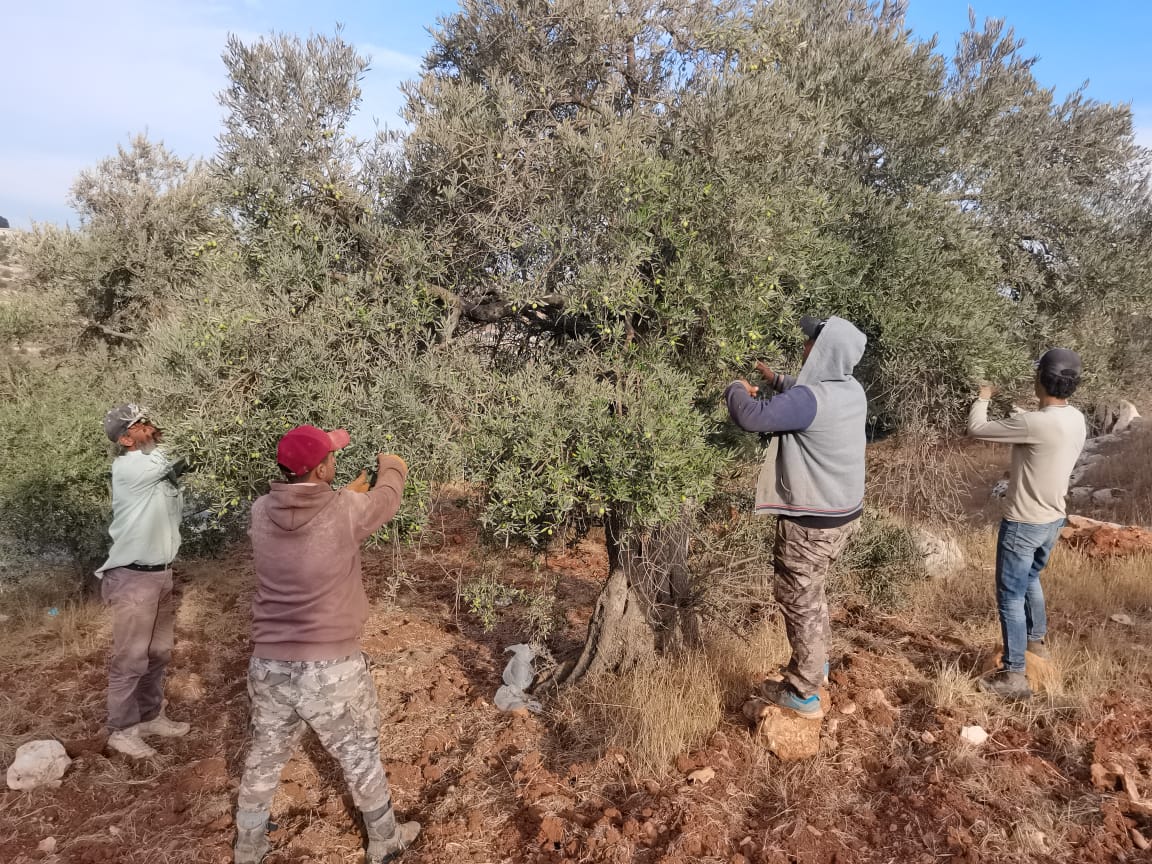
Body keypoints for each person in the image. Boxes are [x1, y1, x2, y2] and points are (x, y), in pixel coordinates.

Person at [234, 425, 419, 864]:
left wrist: (342, 493)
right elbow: (388, 499)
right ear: (320, 470)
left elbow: (311, 520)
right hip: (331, 665)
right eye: (330, 459)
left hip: (270, 663)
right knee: (359, 752)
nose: (335, 463)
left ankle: (249, 844)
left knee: (264, 754)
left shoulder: (261, 511)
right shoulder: (346, 511)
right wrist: (391, 464)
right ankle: (384, 838)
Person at [725, 316, 868, 719]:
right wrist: (778, 379)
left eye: (811, 342)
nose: (806, 347)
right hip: (842, 517)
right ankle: (817, 666)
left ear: (823, 351)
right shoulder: (851, 389)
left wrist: (735, 388)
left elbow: (750, 416)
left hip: (810, 524)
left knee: (798, 599)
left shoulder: (810, 402)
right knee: (813, 591)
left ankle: (803, 693)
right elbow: (806, 398)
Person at [967, 348, 1087, 699]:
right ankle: (1037, 644)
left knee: (1009, 596)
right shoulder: (1076, 419)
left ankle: (1014, 674)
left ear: (1040, 380)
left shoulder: (1035, 423)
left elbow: (977, 428)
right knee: (1031, 579)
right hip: (1053, 519)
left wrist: (983, 397)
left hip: (1023, 523)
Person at [96, 404, 191, 759]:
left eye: (147, 420)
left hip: (160, 573)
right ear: (125, 439)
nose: (149, 426)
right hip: (133, 578)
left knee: (158, 652)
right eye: (139, 425)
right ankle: (121, 729)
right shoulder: (131, 466)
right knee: (131, 658)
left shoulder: (157, 467)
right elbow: (185, 447)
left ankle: (150, 716)